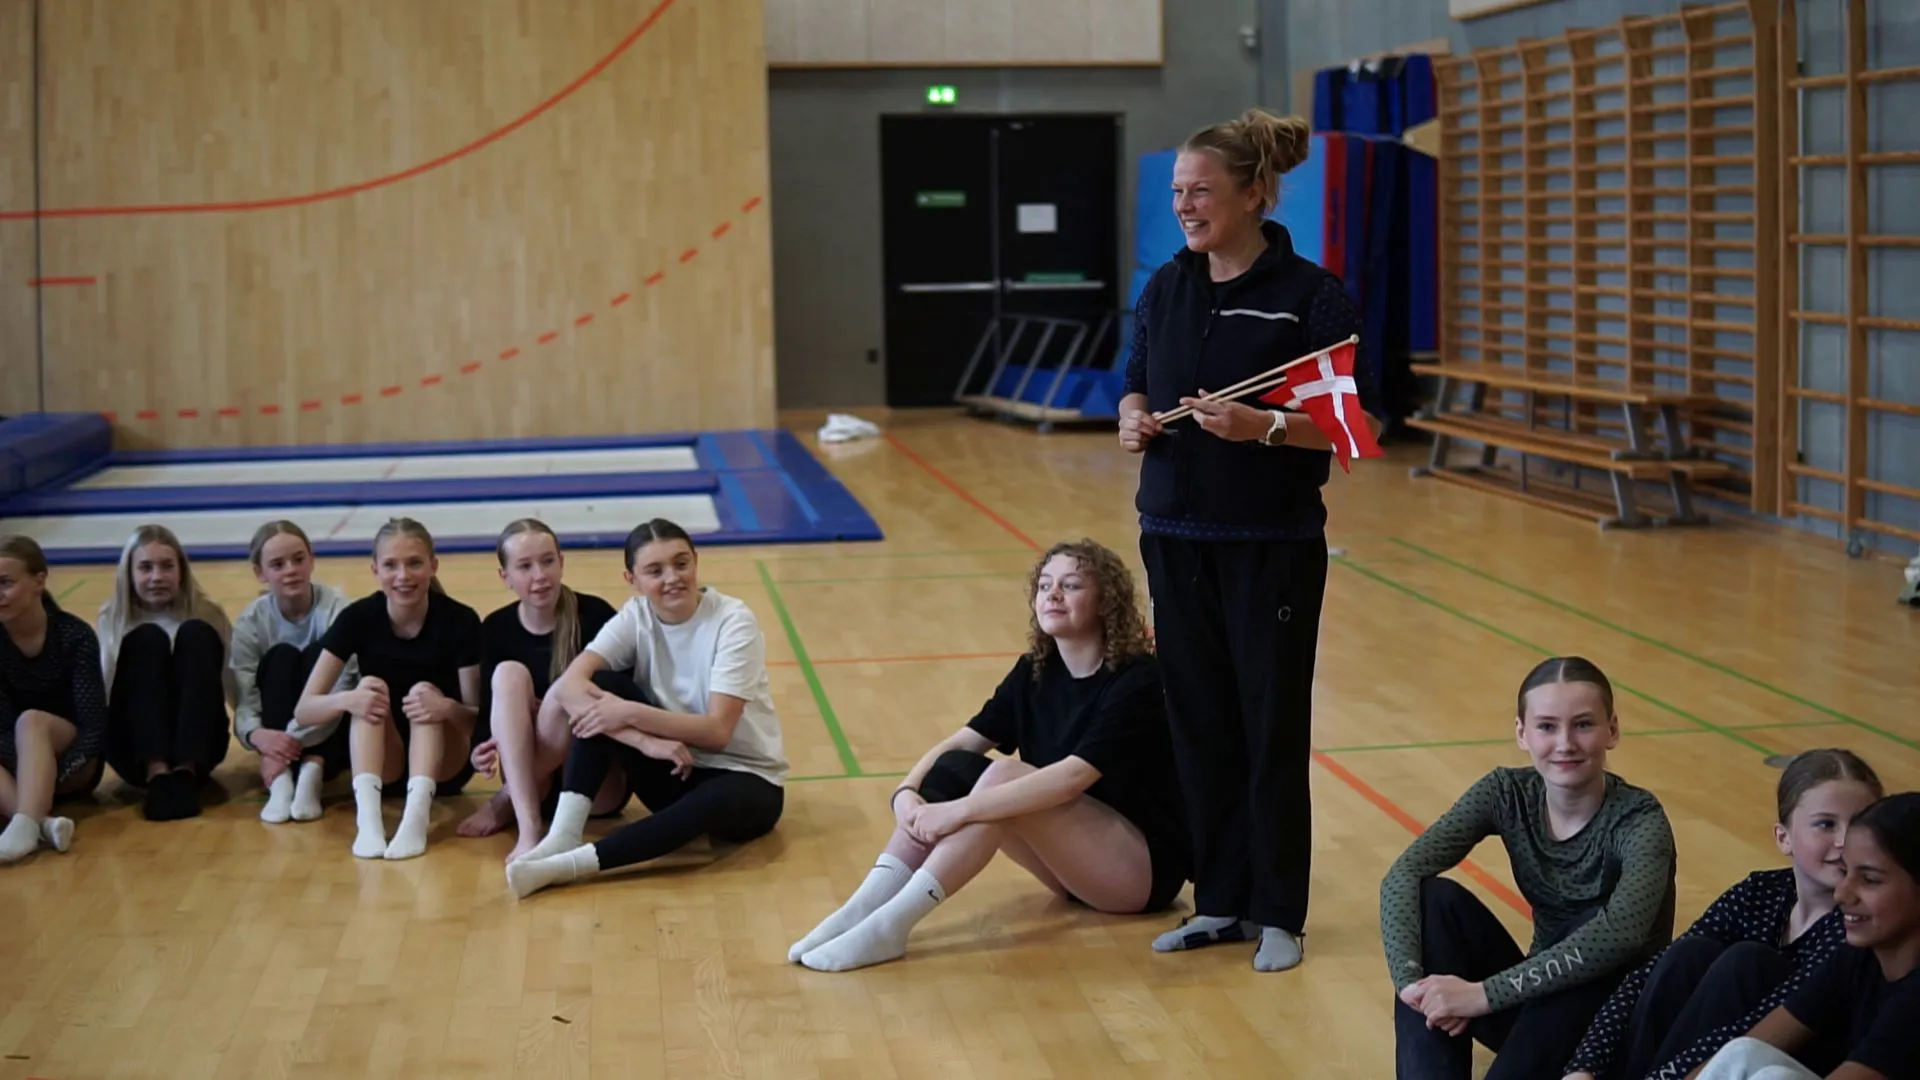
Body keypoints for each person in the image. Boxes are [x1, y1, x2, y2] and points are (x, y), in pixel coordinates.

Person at [1114, 106, 1382, 973]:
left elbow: (1357, 425)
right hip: (1173, 535)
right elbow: (1135, 380)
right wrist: (1131, 418)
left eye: (1201, 191)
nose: (1184, 207)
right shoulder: (1166, 286)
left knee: (1268, 727)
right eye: (1177, 192)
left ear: (1254, 194)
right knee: (1198, 724)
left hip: (1270, 543)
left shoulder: (1311, 295)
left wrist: (1262, 427)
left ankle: (1278, 913)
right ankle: (1220, 902)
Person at [787, 539, 1190, 972]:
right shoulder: (1035, 669)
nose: (1053, 595)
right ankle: (862, 909)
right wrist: (906, 792)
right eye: (1045, 585)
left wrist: (957, 811)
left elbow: (1073, 778)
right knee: (956, 769)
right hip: (1070, 870)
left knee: (1003, 778)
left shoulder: (1138, 679)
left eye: (1071, 585)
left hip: (1139, 873)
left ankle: (891, 926)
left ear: (1106, 602)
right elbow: (960, 744)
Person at [1380, 656, 1679, 1080]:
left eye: (1583, 724)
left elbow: (1619, 936)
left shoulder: (1640, 820)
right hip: (1536, 1002)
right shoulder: (1506, 792)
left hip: (1613, 1031)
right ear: (1522, 733)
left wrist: (1482, 995)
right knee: (1434, 901)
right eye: (1547, 727)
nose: (1565, 743)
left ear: (1612, 730)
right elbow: (1404, 874)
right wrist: (1412, 986)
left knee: (1592, 925)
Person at [504, 519, 786, 899]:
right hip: (675, 768)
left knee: (709, 798)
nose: (672, 578)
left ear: (696, 561)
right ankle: (563, 834)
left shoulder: (733, 622)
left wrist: (629, 714)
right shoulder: (636, 616)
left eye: (681, 564)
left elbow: (718, 732)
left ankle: (566, 867)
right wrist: (645, 742)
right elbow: (569, 685)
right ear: (632, 579)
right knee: (601, 685)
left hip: (747, 780)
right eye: (655, 571)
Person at [1564, 749, 1883, 1080]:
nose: (1845, 841)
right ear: (1783, 837)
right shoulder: (1761, 892)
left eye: (1860, 825)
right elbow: (1648, 977)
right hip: (1708, 1060)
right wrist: (1585, 1066)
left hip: (1788, 1063)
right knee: (1689, 954)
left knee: (1747, 964)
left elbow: (1757, 1031)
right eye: (1826, 825)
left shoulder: (1858, 925)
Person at [1692, 792, 1920, 1080]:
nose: (1841, 894)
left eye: (1870, 880)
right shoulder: (1857, 958)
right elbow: (1751, 1045)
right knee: (1742, 1052)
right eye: (1845, 872)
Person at [294, 517, 483, 860]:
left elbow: (478, 722)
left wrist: (445, 707)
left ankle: (415, 820)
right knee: (370, 688)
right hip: (386, 763)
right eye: (391, 565)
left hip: (446, 766)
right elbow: (304, 709)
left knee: (423, 693)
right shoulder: (358, 618)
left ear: (433, 566)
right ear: (375, 570)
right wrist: (348, 699)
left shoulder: (461, 621)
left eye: (414, 563)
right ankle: (369, 822)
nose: (403, 576)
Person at [456, 518, 617, 861]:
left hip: (595, 784)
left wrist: (561, 709)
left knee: (564, 693)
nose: (540, 575)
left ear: (562, 562)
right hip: (534, 790)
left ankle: (504, 800)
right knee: (509, 675)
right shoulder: (496, 628)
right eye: (525, 566)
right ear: (505, 577)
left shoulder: (595, 616)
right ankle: (529, 832)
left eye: (547, 561)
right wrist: (481, 749)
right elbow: (488, 711)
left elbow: (621, 694)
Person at [96, 524, 235, 821]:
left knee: (196, 632)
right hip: (135, 750)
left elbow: (231, 681)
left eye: (166, 566)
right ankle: (156, 771)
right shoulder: (113, 617)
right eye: (145, 567)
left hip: (199, 749)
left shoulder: (207, 612)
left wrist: (258, 734)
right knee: (147, 638)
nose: (157, 577)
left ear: (181, 570)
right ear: (129, 573)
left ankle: (185, 771)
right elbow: (104, 689)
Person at [229, 520, 358, 824]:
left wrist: (289, 742)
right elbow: (246, 696)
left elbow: (344, 690)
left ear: (311, 560)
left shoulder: (340, 611)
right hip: (278, 739)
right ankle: (282, 780)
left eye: (298, 559)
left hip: (328, 737)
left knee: (320, 656)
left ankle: (313, 770)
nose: (291, 570)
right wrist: (257, 736)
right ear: (260, 572)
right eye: (277, 564)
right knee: (281, 657)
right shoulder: (251, 622)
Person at [0, 535, 106, 862]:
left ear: (39, 581)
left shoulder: (75, 636)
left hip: (75, 763)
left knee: (32, 721)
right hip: (19, 768)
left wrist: (48, 773)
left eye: (5, 583)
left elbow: (94, 729)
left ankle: (28, 820)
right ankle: (43, 825)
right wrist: (32, 771)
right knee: (21, 726)